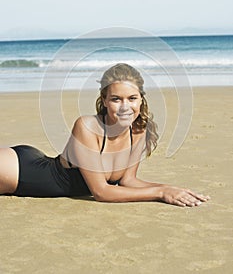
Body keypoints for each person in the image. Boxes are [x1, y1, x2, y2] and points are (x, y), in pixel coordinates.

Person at [0, 63, 209, 207]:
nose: (125, 107)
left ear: (141, 100)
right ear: (105, 100)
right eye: (116, 99)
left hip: (33, 163)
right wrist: (160, 193)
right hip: (18, 171)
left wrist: (170, 188)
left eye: (132, 98)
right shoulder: (87, 126)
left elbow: (128, 181)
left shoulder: (138, 130)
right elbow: (101, 192)